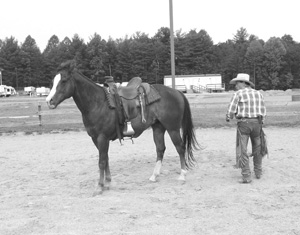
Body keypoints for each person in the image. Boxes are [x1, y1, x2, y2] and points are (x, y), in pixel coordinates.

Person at [226, 73, 268, 184]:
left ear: (243, 83)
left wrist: (229, 117)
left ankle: (246, 176)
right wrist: (261, 122)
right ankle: (258, 172)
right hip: (257, 123)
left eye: (237, 83)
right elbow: (263, 111)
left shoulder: (238, 94)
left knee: (242, 150)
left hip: (244, 124)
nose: (235, 85)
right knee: (258, 148)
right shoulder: (259, 94)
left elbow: (231, 111)